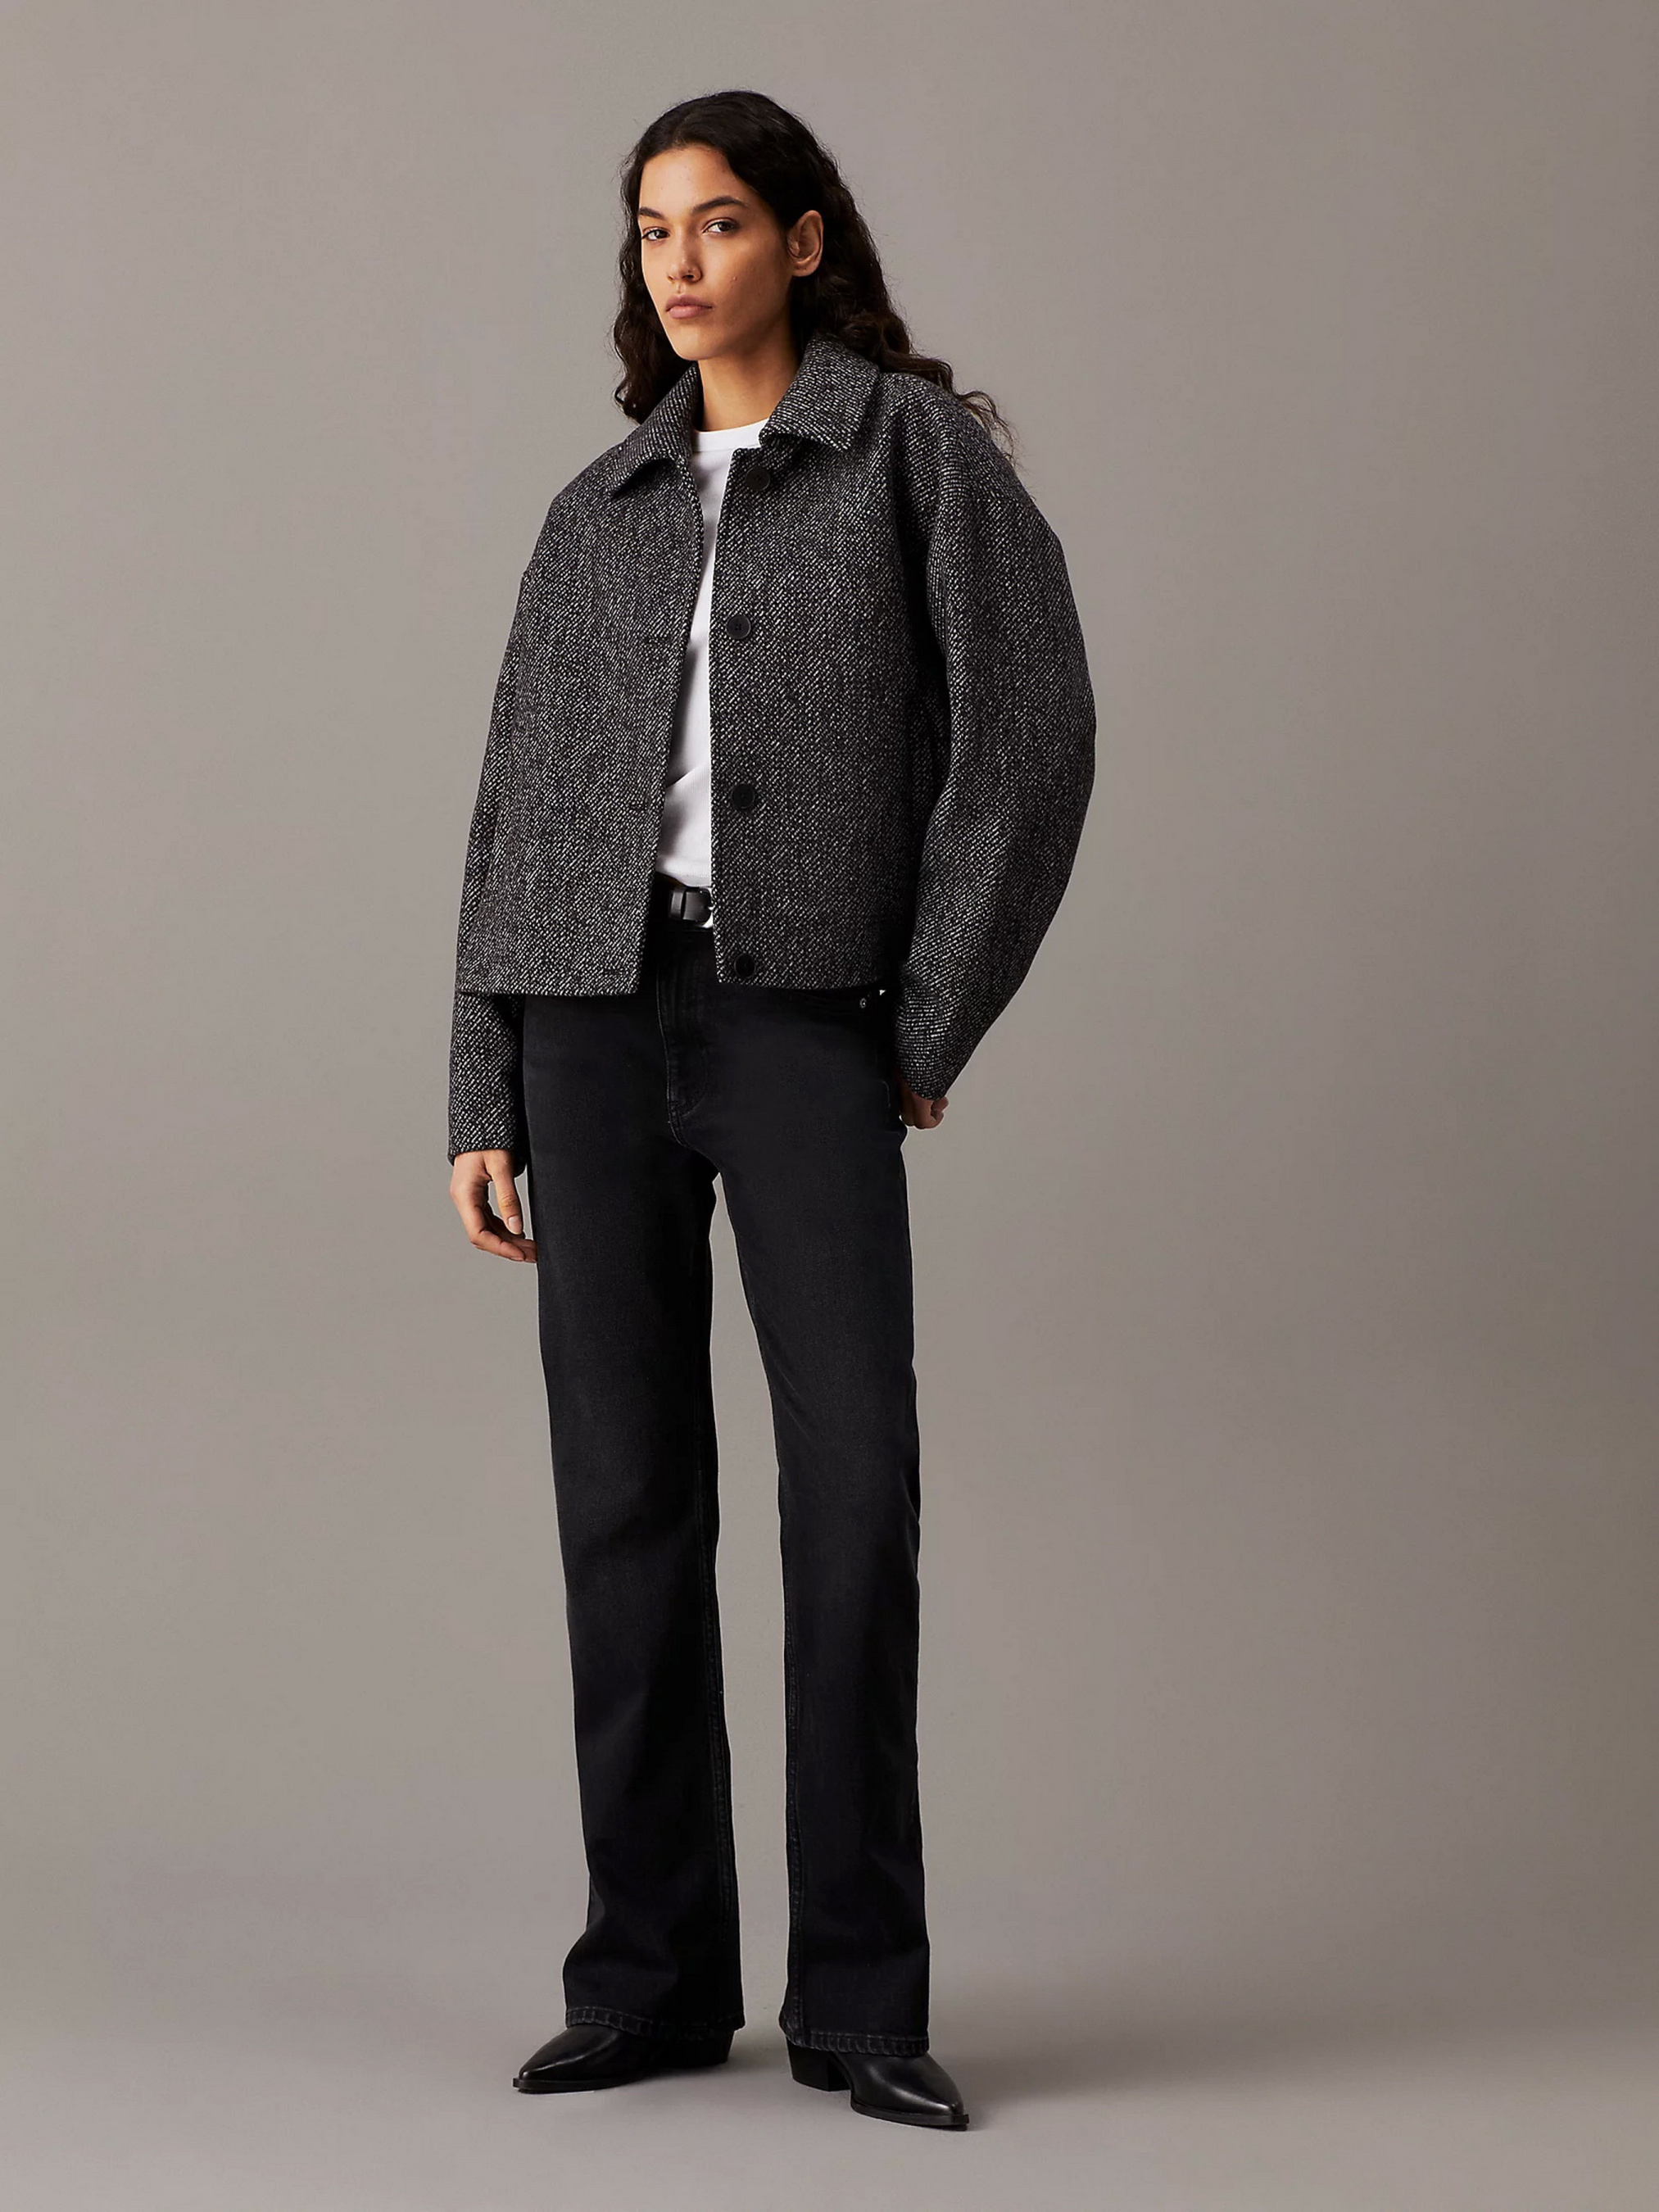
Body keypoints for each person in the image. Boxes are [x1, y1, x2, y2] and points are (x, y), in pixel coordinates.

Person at [446, 89, 1095, 2133]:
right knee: (623, 1501)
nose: (678, 259)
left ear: (802, 240)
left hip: (801, 1017)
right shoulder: (598, 506)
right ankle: (647, 1979)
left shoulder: (907, 456)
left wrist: (925, 1013)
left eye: (718, 221)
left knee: (854, 1493)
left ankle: (860, 2002)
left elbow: (1027, 743)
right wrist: (481, 1082)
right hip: (581, 1017)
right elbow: (508, 806)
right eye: (652, 228)